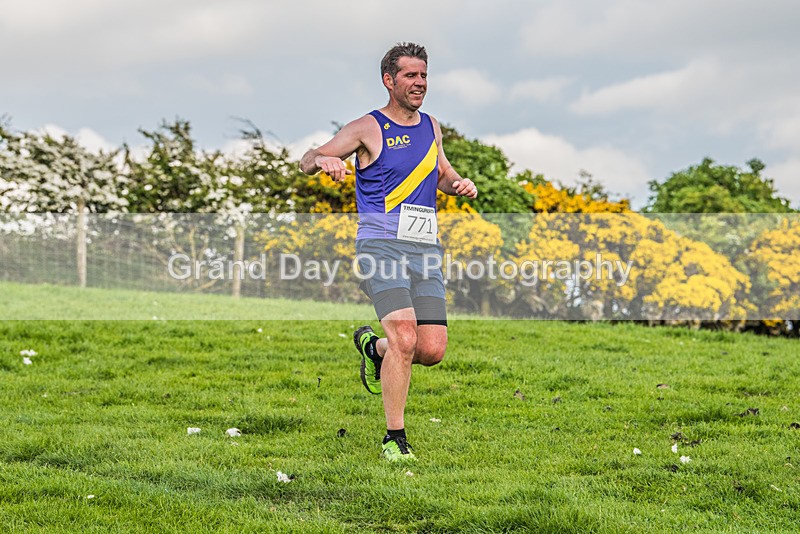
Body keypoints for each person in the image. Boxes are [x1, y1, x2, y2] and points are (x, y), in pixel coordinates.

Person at [300, 42, 477, 462]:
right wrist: (324, 162)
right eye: (411, 76)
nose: (420, 83)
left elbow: (442, 174)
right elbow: (309, 158)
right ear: (389, 80)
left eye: (424, 76)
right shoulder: (368, 127)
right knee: (404, 336)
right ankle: (394, 440)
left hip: (424, 248)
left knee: (430, 349)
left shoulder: (432, 126)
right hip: (381, 246)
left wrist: (459, 184)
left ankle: (372, 348)